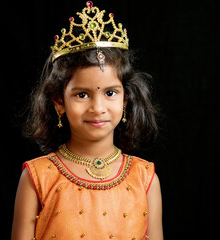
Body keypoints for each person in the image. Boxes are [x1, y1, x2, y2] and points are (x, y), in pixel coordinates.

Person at [11, 1, 163, 240]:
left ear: (125, 100)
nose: (98, 107)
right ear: (58, 101)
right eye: (82, 95)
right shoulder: (37, 177)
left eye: (110, 93)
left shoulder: (145, 177)